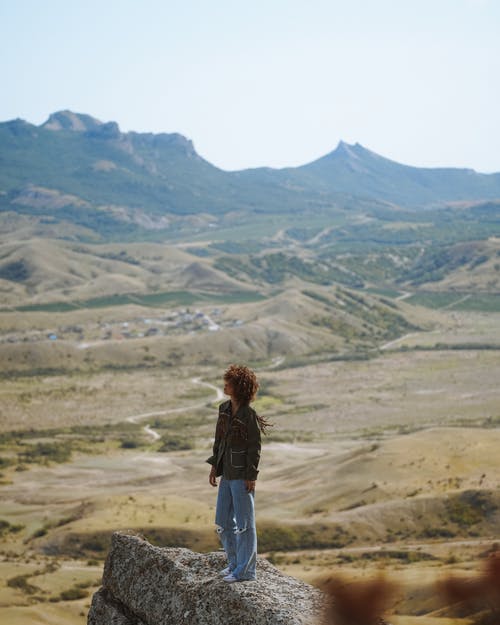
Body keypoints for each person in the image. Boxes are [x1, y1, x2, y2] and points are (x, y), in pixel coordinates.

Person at [207, 364, 270, 583]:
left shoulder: (248, 415)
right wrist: (215, 466)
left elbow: (255, 448)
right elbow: (219, 441)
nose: (225, 384)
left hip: (242, 475)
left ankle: (245, 572)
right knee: (223, 521)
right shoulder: (224, 408)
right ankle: (234, 565)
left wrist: (251, 476)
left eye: (229, 382)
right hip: (227, 473)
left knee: (245, 525)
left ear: (240, 386)